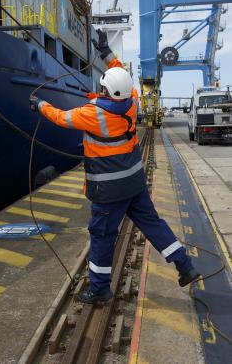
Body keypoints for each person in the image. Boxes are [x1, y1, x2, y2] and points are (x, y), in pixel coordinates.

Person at [30, 30, 200, 304]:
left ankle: (99, 290)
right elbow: (119, 72)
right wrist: (106, 52)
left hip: (108, 192)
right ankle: (185, 265)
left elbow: (60, 117)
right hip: (134, 184)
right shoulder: (132, 102)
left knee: (102, 236)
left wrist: (40, 105)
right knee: (153, 224)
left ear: (105, 90)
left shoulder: (92, 114)